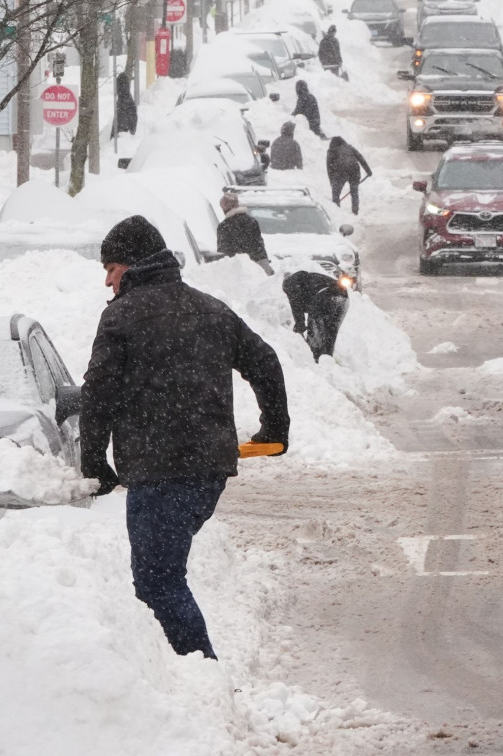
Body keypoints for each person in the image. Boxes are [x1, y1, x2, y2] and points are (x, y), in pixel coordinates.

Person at [81, 215, 289, 659]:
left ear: (133, 266)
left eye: (111, 268)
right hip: (208, 471)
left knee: (158, 581)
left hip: (160, 472)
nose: (106, 281)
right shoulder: (211, 309)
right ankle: (173, 673)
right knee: (162, 575)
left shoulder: (122, 317)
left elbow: (98, 395)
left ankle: (200, 674)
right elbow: (265, 362)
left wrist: (95, 462)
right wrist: (276, 428)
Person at [283, 270, 349, 361]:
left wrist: (300, 324)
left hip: (325, 296)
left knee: (314, 330)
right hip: (343, 298)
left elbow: (296, 304)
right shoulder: (308, 279)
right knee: (331, 331)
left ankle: (315, 359)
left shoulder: (290, 284)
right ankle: (327, 359)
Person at [217, 193, 275, 274]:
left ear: (225, 209)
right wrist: (264, 261)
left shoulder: (224, 226)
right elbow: (259, 244)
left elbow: (224, 250)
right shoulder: (251, 221)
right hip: (259, 264)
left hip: (239, 268)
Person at [326, 136, 372, 215]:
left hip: (340, 172)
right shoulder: (350, 148)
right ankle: (355, 210)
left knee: (336, 194)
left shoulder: (332, 151)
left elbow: (329, 168)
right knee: (354, 192)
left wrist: (332, 182)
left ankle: (336, 210)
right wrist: (368, 171)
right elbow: (361, 158)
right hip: (354, 171)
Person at [112, 72, 138, 137]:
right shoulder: (124, 100)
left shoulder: (125, 102)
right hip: (123, 136)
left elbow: (119, 122)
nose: (116, 88)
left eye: (117, 85)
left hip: (123, 138)